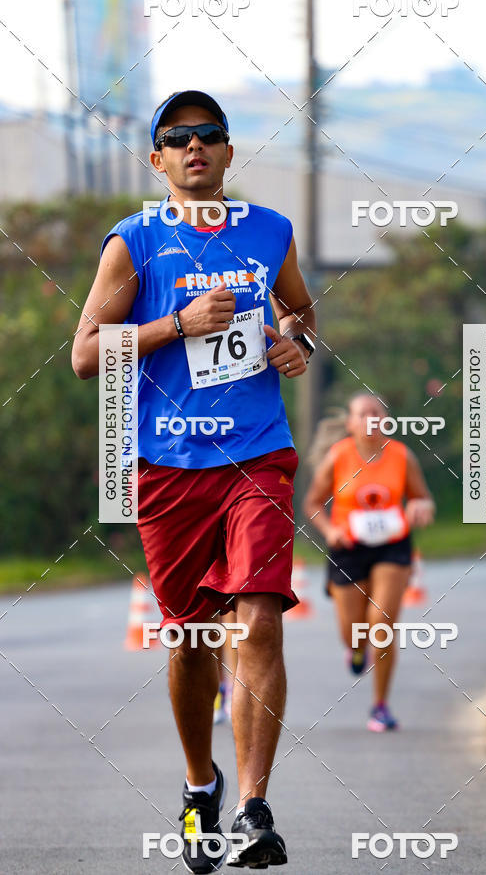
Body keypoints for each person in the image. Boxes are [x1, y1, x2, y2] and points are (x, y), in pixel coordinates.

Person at [72, 89, 317, 872]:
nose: (195, 146)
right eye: (178, 138)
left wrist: (293, 341)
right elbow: (85, 355)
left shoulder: (268, 230)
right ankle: (198, 784)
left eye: (209, 134)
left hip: (258, 455)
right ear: (158, 160)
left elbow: (302, 314)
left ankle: (253, 805)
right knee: (190, 640)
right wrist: (177, 325)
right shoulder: (134, 242)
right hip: (168, 465)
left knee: (260, 618)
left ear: (229, 151)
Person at [304, 392, 435, 732]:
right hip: (348, 547)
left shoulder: (402, 456)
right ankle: (356, 649)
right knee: (352, 632)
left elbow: (422, 497)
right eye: (362, 414)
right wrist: (329, 529)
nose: (370, 420)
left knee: (382, 623)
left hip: (393, 545)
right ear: (350, 423)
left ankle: (380, 706)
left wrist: (422, 507)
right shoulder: (338, 456)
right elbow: (314, 504)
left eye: (376, 413)